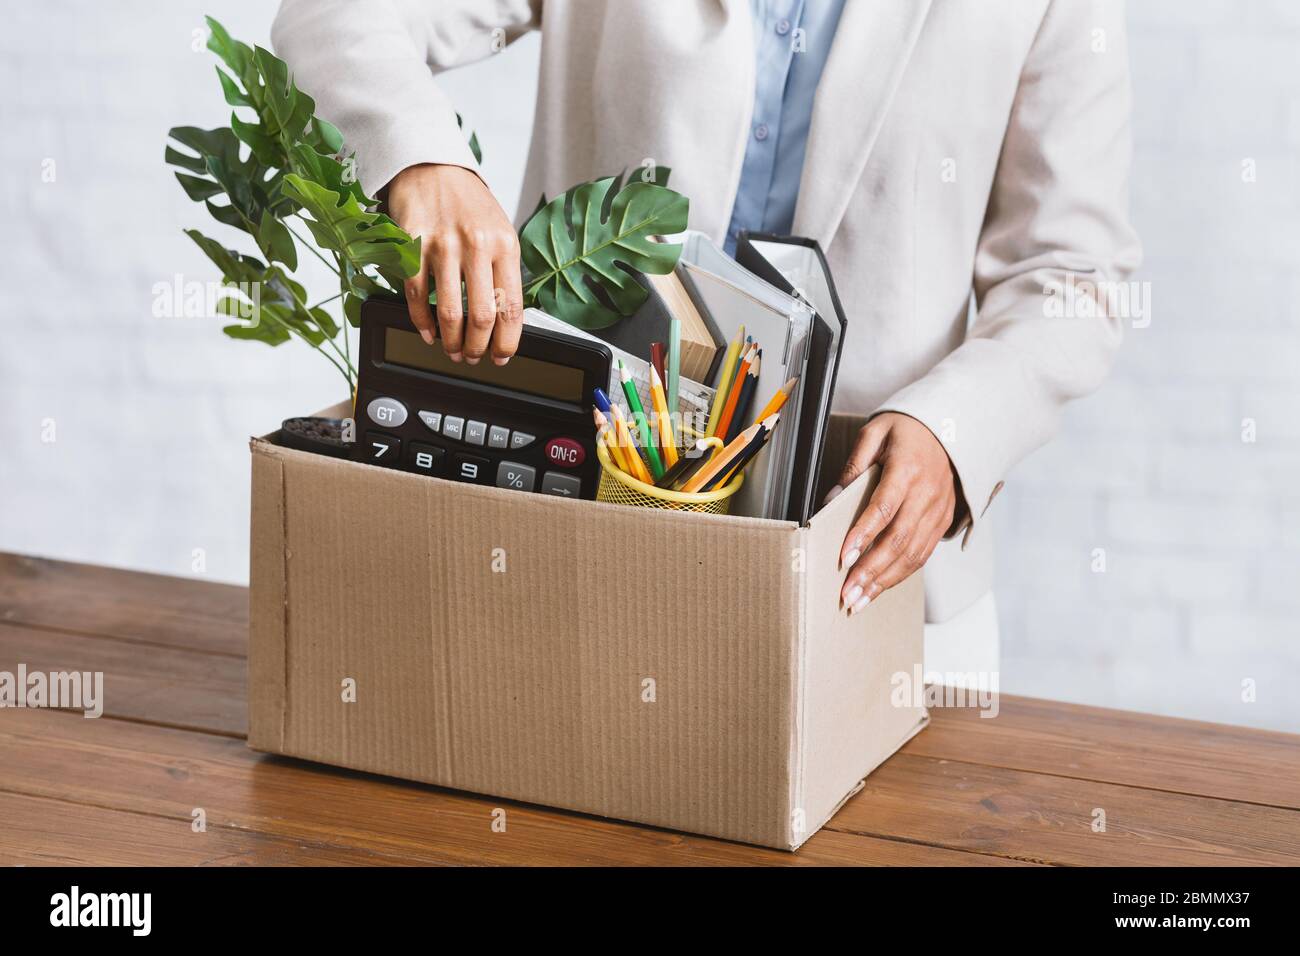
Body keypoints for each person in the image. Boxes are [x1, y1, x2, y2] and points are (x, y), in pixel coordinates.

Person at [271, 0, 1141, 661]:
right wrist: (421, 158)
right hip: (571, 554)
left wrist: (955, 432)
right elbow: (338, 15)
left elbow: (1073, 276)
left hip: (872, 594)